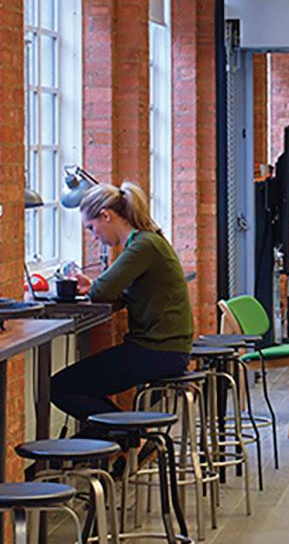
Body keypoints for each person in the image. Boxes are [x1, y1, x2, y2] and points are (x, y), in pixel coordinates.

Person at [50, 183, 194, 429]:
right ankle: (119, 436)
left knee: (59, 387)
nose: (94, 236)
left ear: (106, 215)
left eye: (91, 227)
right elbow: (114, 290)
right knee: (74, 386)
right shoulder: (146, 241)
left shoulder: (143, 245)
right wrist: (95, 285)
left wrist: (94, 286)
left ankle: (127, 435)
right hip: (167, 349)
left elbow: (102, 292)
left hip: (158, 351)